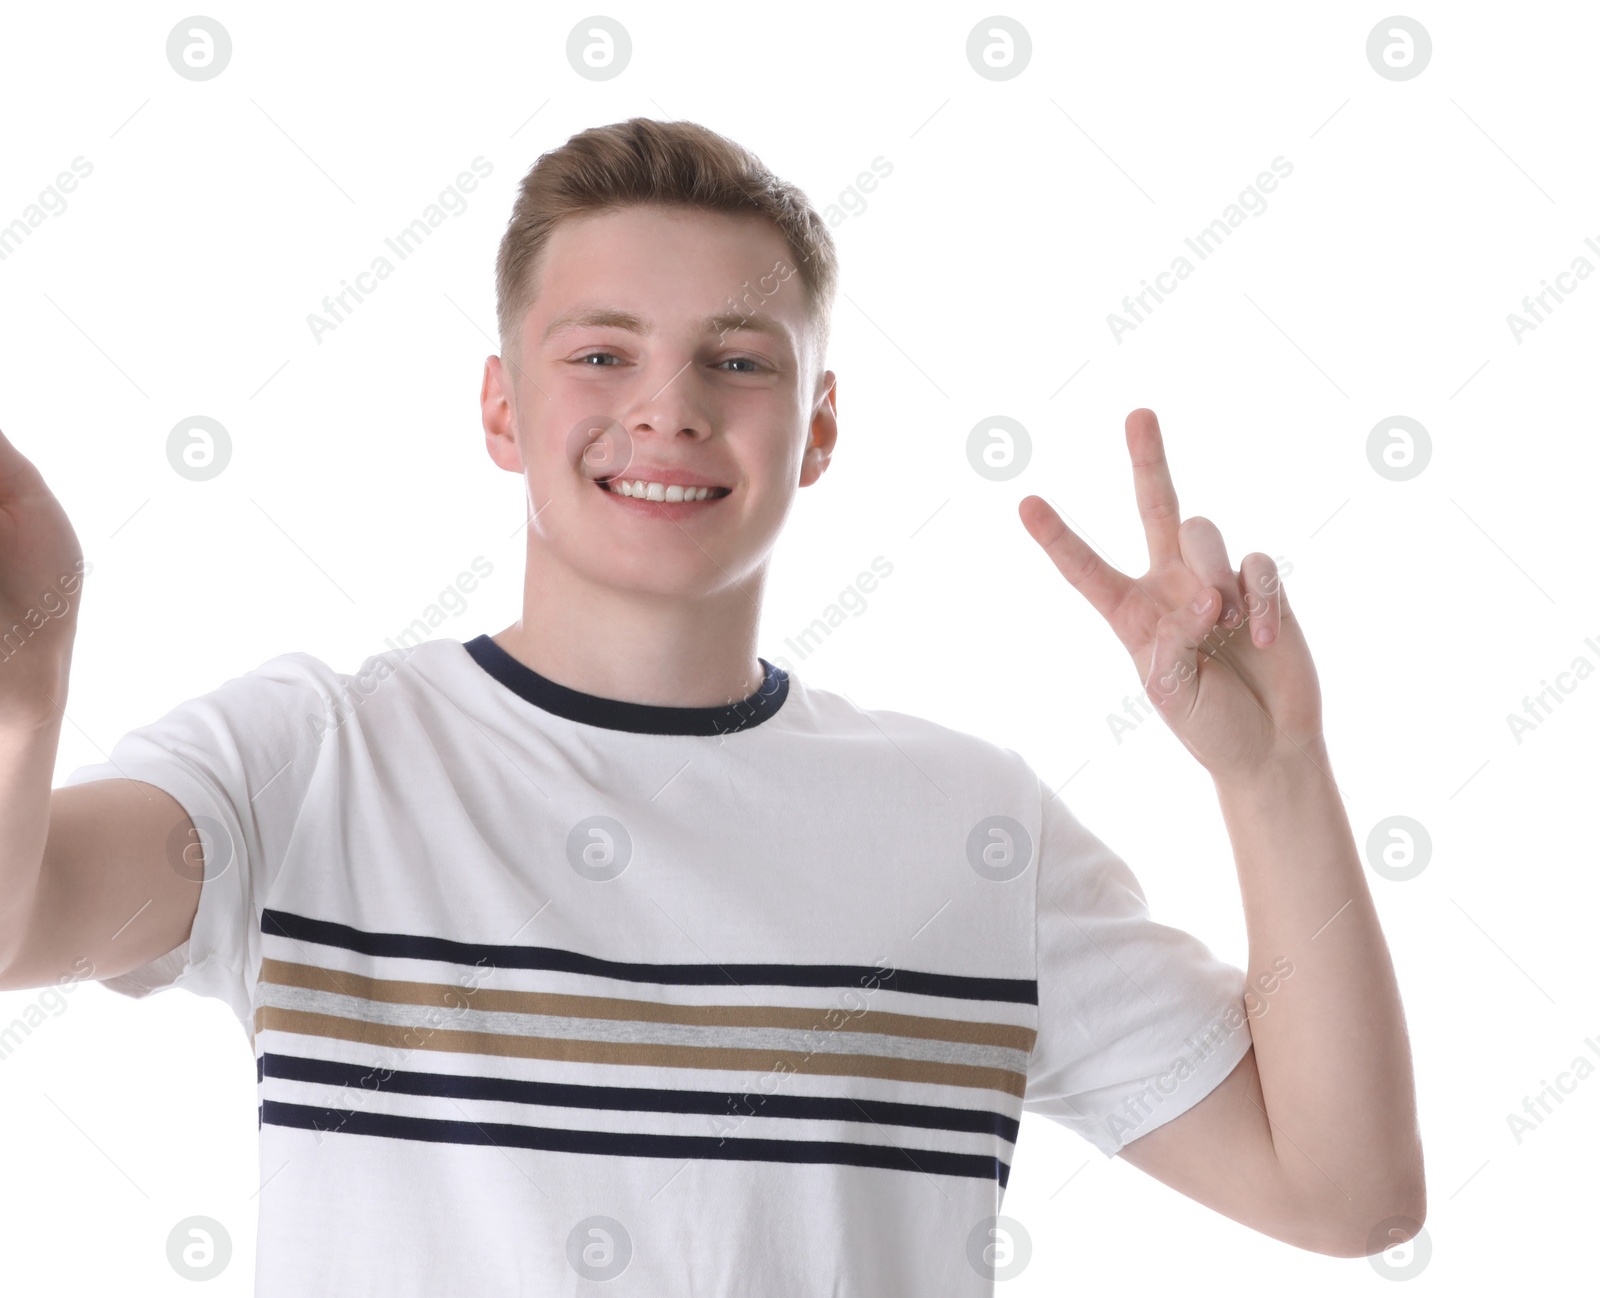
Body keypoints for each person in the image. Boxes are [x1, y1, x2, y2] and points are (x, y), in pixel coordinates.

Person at [0, 117, 1424, 1294]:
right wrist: (25, 674)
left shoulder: (975, 828)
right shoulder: (313, 762)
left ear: (815, 429)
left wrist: (1274, 769)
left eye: (738, 361)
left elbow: (1349, 1192)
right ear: (502, 409)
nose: (670, 407)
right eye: (601, 353)